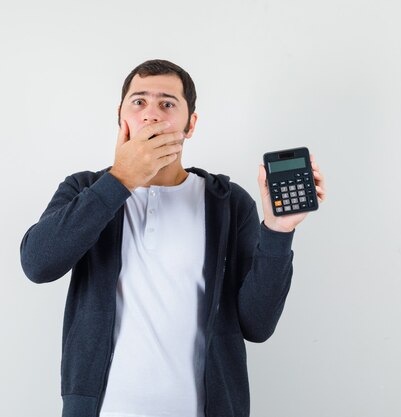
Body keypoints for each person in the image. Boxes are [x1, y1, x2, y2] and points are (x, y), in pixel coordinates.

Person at [20, 59, 326, 417]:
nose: (151, 114)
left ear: (190, 123)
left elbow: (256, 326)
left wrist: (278, 230)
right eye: (139, 102)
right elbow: (37, 264)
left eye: (167, 103)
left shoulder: (227, 202)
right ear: (121, 116)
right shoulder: (84, 190)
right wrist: (119, 179)